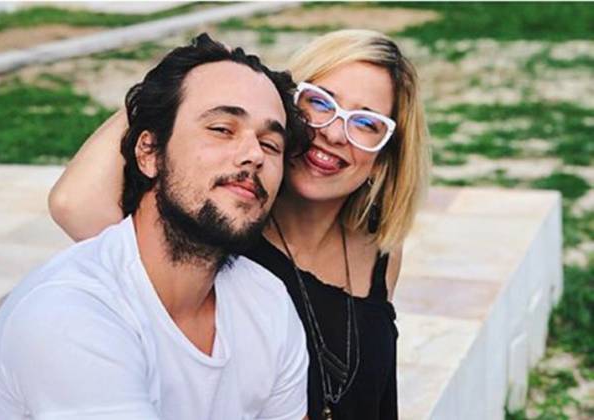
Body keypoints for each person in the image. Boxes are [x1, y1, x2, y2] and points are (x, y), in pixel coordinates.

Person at [48, 29, 430, 420]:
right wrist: (188, 79)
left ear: (384, 156)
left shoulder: (378, 248)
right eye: (319, 101)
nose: (333, 133)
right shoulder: (222, 229)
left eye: (366, 123)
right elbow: (73, 204)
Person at [0, 34, 312, 420]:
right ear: (148, 153)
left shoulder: (266, 301)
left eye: (271, 144)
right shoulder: (71, 311)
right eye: (221, 129)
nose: (253, 155)